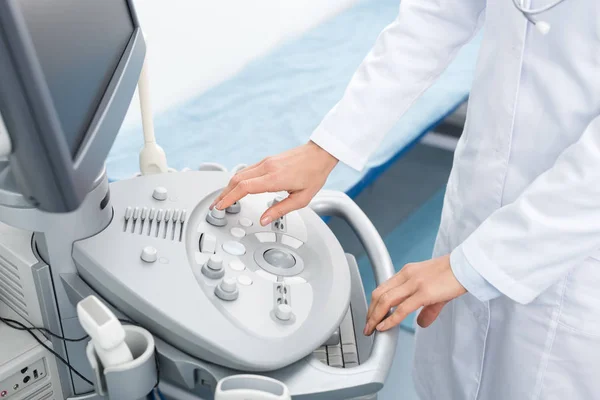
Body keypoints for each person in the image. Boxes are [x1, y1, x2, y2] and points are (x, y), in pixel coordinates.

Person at [211, 0, 600, 398]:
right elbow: (435, 17)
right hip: (476, 200)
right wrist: (326, 147)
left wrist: (475, 265)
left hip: (568, 253)